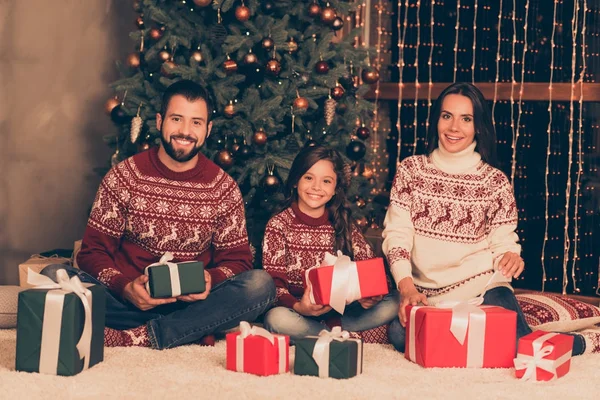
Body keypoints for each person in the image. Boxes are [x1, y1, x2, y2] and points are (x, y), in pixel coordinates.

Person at [42, 80, 275, 349]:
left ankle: (144, 335)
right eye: (177, 119)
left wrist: (212, 279)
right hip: (126, 300)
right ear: (159, 120)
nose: (185, 131)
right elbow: (92, 252)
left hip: (192, 305)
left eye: (196, 122)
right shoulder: (124, 176)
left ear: (208, 129)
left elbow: (238, 260)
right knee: (52, 275)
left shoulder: (222, 187)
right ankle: (189, 330)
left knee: (260, 285)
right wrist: (125, 287)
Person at [382, 82, 587, 355]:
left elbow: (503, 240)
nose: (454, 128)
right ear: (436, 121)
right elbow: (397, 233)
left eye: (466, 119)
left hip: (483, 288)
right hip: (427, 296)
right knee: (399, 335)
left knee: (520, 347)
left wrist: (511, 256)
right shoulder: (411, 170)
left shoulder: (494, 181)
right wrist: (406, 287)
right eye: (447, 116)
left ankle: (585, 343)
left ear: (478, 125)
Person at [262, 145, 399, 341]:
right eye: (309, 178)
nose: (316, 187)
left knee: (395, 300)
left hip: (344, 314)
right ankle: (346, 336)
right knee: (276, 320)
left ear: (335, 189)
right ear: (295, 182)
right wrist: (300, 307)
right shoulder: (278, 225)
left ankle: (331, 333)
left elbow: (374, 272)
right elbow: (274, 286)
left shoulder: (343, 224)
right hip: (300, 314)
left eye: (326, 181)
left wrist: (371, 295)